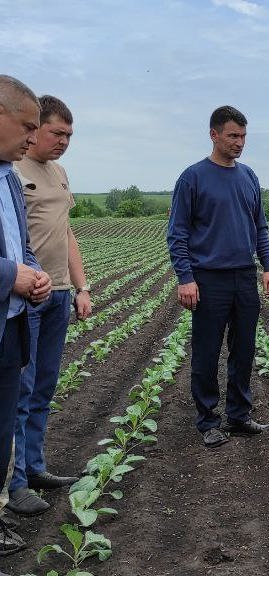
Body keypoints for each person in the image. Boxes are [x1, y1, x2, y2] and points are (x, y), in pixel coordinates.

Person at [167, 105, 269, 448]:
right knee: (206, 351)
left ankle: (240, 416)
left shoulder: (248, 177)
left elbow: (260, 226)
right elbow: (177, 233)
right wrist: (185, 277)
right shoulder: (193, 177)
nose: (239, 142)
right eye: (233, 135)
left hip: (244, 276)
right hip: (208, 278)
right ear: (214, 134)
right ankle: (207, 420)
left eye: (243, 136)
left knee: (244, 349)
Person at [5, 95, 92, 518]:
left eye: (69, 135)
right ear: (35, 128)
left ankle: (35, 467)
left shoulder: (57, 172)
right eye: (57, 133)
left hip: (57, 294)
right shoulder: (11, 170)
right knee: (20, 391)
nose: (64, 142)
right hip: (23, 296)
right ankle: (15, 482)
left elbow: (67, 232)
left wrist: (81, 286)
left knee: (43, 388)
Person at [0, 75, 52, 556]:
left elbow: (24, 247)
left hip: (12, 324)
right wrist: (8, 276)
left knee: (1, 428)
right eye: (26, 126)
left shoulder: (10, 180)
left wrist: (33, 276)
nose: (32, 139)